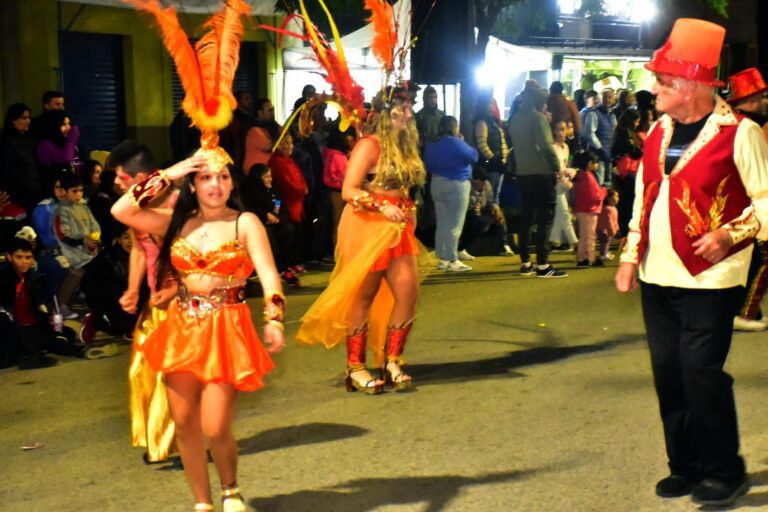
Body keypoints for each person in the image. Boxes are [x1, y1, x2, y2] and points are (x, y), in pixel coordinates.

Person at [615, 19, 768, 507]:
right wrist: (628, 256)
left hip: (712, 277)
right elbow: (643, 198)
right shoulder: (658, 130)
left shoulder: (740, 134)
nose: (654, 89)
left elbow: (766, 203)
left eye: (662, 81)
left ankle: (726, 469)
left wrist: (730, 233)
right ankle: (685, 465)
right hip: (658, 272)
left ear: (688, 86)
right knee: (669, 372)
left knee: (701, 370)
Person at [112, 156, 285, 508]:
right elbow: (122, 211)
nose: (214, 185)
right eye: (205, 177)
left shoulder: (245, 223)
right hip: (181, 328)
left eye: (222, 176)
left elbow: (268, 273)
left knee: (215, 425)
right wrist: (169, 174)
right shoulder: (176, 223)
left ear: (232, 183)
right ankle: (203, 503)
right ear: (192, 184)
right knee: (186, 423)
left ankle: (230, 489)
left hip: (226, 328)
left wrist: (274, 317)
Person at [297, 86, 425, 395]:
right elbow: (349, 190)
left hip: (397, 230)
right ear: (385, 114)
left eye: (409, 109)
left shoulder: (404, 145)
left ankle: (392, 360)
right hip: (368, 227)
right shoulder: (370, 145)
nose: (409, 115)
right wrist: (383, 206)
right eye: (402, 109)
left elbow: (402, 186)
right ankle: (355, 367)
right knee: (363, 297)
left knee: (408, 292)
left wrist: (407, 208)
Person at [108, 139, 179, 464]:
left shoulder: (178, 205)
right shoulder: (136, 210)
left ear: (140, 179)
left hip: (186, 302)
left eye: (122, 178)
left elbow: (202, 261)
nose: (116, 184)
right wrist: (134, 289)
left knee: (176, 379)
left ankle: (182, 443)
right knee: (141, 371)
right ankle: (162, 440)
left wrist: (177, 291)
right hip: (156, 302)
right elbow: (139, 248)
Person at [0, 238, 116, 369]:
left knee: (67, 333)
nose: (24, 262)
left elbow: (30, 308)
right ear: (9, 257)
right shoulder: (5, 279)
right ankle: (80, 351)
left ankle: (61, 346)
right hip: (14, 329)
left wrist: (47, 317)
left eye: (28, 257)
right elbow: (9, 314)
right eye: (19, 257)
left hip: (30, 324)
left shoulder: (28, 278)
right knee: (50, 341)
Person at [508, 85, 567, 278]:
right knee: (545, 219)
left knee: (527, 218)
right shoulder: (538, 118)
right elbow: (545, 146)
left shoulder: (515, 118)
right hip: (542, 173)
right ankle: (543, 264)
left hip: (523, 173)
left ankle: (526, 262)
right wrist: (557, 166)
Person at [725, 68, 768, 331]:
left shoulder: (734, 123)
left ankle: (748, 310)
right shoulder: (747, 128)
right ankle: (745, 313)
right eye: (760, 96)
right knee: (763, 260)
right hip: (751, 206)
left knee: (752, 260)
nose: (765, 100)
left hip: (742, 206)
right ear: (746, 101)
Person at [425, 115, 478, 270]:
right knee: (455, 224)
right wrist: (461, 140)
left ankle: (442, 258)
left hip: (437, 183)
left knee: (442, 222)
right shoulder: (456, 142)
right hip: (457, 184)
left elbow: (428, 163)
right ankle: (452, 259)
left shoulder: (432, 143)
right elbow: (473, 155)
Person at [240, 164, 299, 286]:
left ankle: (284, 266)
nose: (270, 179)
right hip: (258, 225)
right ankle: (279, 269)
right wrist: (265, 215)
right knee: (268, 237)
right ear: (258, 179)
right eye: (266, 177)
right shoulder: (250, 193)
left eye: (270, 176)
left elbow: (281, 208)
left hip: (275, 223)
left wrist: (279, 219)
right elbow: (248, 211)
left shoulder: (274, 190)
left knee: (288, 230)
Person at [53, 172, 100, 318]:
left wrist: (95, 241)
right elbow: (64, 235)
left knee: (100, 265)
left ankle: (94, 303)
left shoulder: (84, 207)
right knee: (77, 272)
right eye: (74, 191)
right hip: (70, 252)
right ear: (65, 192)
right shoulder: (61, 210)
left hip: (87, 250)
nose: (78, 194)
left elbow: (95, 226)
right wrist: (83, 241)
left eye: (80, 190)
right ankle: (59, 306)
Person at [458, 167, 512, 260]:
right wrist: (477, 211)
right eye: (481, 181)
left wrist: (496, 209)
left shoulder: (487, 185)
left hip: (482, 210)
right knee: (478, 221)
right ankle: (460, 248)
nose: (483, 184)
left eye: (484, 181)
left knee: (499, 215)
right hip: (468, 214)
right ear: (473, 180)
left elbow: (490, 201)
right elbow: (465, 208)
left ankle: (504, 245)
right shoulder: (466, 187)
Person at [0, 103, 42, 213]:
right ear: (13, 120)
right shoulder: (5, 141)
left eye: (29, 118)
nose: (28, 121)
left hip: (34, 191)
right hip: (16, 194)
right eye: (23, 118)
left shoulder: (31, 140)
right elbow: (7, 169)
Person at [611, 109, 643, 238]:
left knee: (624, 200)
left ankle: (622, 227)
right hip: (627, 170)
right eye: (636, 121)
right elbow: (635, 153)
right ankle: (624, 228)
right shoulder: (625, 134)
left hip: (621, 170)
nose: (637, 124)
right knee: (627, 200)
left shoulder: (619, 132)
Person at [322, 123, 356, 248]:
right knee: (338, 224)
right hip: (337, 193)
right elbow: (330, 177)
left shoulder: (340, 154)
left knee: (343, 224)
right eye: (348, 135)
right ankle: (338, 253)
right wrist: (344, 185)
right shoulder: (335, 155)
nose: (351, 138)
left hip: (342, 191)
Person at [573, 150, 606, 267]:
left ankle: (581, 258)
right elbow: (595, 196)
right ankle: (591, 258)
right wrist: (603, 192)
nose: (597, 165)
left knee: (583, 236)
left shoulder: (580, 176)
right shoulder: (589, 177)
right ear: (590, 163)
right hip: (590, 210)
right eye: (595, 162)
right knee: (591, 236)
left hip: (581, 209)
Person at [474, 91, 508, 202]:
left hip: (499, 165)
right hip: (490, 166)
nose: (493, 106)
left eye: (494, 103)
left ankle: (495, 216)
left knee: (495, 194)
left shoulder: (494, 123)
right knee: (490, 195)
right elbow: (481, 144)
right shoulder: (482, 123)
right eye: (490, 103)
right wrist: (493, 159)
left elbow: (502, 142)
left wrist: (505, 158)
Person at [549, 120, 578, 251]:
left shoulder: (565, 147)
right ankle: (574, 241)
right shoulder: (552, 147)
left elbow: (565, 164)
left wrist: (569, 172)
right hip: (555, 183)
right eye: (558, 129)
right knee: (564, 212)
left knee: (561, 212)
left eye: (563, 129)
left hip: (563, 183)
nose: (560, 133)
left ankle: (554, 240)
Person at [35, 110, 83, 186]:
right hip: (55, 192)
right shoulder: (44, 145)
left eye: (69, 123)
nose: (69, 128)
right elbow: (66, 159)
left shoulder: (66, 143)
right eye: (64, 124)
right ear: (54, 126)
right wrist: (73, 137)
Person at [579, 89, 615, 185]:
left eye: (610, 97)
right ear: (599, 98)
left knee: (608, 181)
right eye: (605, 97)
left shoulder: (612, 115)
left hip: (609, 153)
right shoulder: (593, 113)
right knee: (598, 182)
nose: (607, 100)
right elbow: (589, 134)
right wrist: (600, 148)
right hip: (597, 155)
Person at [597, 189, 619, 260]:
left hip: (608, 230)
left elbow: (614, 220)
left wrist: (616, 227)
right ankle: (603, 254)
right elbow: (608, 222)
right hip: (603, 230)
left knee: (607, 242)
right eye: (615, 197)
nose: (617, 199)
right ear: (609, 198)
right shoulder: (607, 209)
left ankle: (605, 252)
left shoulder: (613, 208)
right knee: (605, 242)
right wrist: (612, 230)